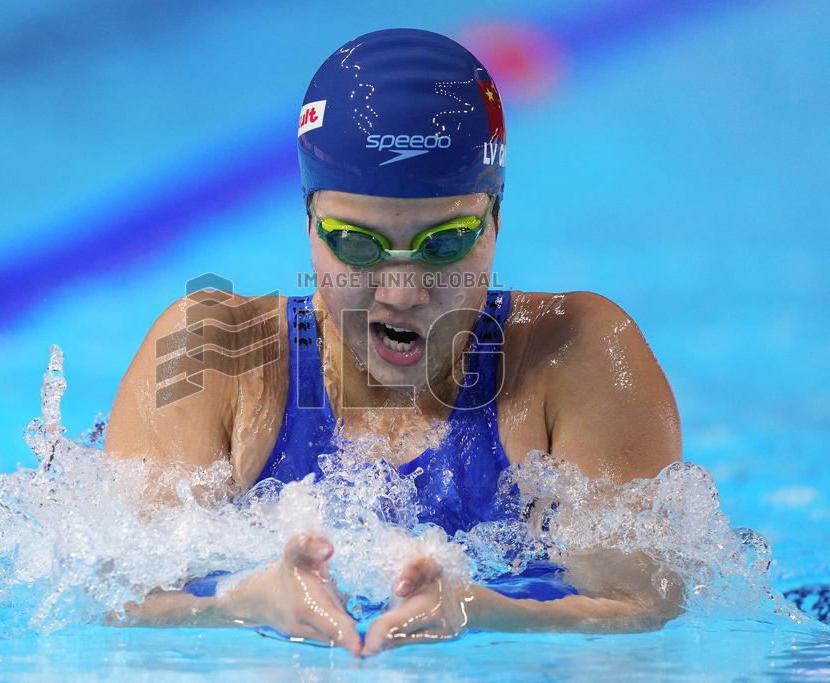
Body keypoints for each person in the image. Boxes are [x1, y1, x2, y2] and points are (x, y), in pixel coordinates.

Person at [104, 28, 683, 657]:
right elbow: (113, 597)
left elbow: (643, 606)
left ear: (496, 219)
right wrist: (246, 600)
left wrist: (481, 608)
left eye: (445, 242)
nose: (403, 292)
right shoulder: (213, 356)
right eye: (356, 243)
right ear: (307, 222)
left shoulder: (579, 357)